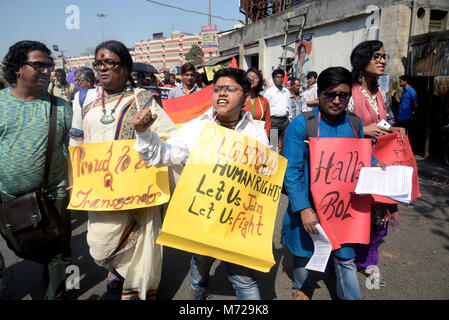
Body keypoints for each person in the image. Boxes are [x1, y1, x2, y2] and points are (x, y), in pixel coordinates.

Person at [133, 68, 269, 300]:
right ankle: (199, 287)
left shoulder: (257, 133)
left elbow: (265, 176)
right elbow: (163, 156)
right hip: (202, 219)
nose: (222, 94)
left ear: (245, 98)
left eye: (230, 89)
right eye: (217, 89)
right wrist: (144, 134)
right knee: (201, 261)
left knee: (245, 281)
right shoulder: (197, 128)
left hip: (237, 222)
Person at [68, 40, 178, 300]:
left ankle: (136, 289)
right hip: (99, 192)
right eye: (98, 63)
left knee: (141, 248)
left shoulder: (142, 101)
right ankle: (116, 271)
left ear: (125, 68)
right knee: (100, 247)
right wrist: (73, 183)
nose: (103, 68)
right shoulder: (84, 99)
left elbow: (170, 139)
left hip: (137, 195)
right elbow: (76, 142)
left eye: (110, 63)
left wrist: (145, 132)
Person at [282, 66, 386, 300]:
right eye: (330, 94)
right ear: (319, 94)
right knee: (304, 257)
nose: (337, 100)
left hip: (344, 210)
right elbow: (292, 171)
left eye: (343, 95)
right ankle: (302, 287)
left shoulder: (354, 123)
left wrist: (376, 162)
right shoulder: (302, 124)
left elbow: (360, 155)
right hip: (309, 208)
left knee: (345, 258)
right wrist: (303, 208)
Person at [0, 40, 73, 299]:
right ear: (18, 68)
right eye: (39, 65)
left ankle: (56, 290)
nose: (46, 71)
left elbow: (70, 147)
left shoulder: (61, 107)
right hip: (10, 200)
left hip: (54, 194)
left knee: (59, 249)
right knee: (21, 246)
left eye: (49, 66)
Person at [348, 40, 405, 287]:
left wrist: (395, 129)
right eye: (377, 56)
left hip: (381, 162)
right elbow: (337, 128)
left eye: (384, 56)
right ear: (363, 60)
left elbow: (386, 120)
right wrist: (362, 130)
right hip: (356, 164)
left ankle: (368, 258)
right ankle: (346, 258)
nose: (383, 60)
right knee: (356, 213)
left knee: (379, 213)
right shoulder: (349, 92)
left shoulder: (379, 93)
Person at [263, 68, 292, 152]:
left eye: (281, 77)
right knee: (274, 145)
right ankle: (274, 163)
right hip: (273, 122)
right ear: (273, 79)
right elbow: (265, 108)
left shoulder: (286, 91)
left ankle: (284, 163)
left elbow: (289, 106)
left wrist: (289, 119)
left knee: (286, 144)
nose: (279, 78)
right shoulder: (269, 92)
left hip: (285, 122)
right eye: (277, 77)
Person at [243, 67, 271, 137]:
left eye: (255, 77)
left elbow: (269, 123)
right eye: (249, 77)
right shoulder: (239, 98)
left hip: (259, 138)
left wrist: (272, 144)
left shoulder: (264, 101)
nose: (252, 79)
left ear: (259, 81)